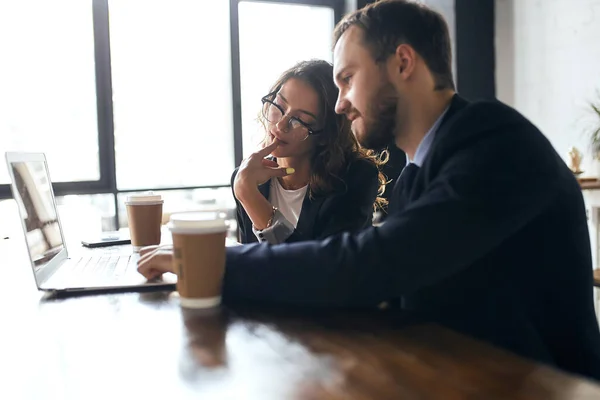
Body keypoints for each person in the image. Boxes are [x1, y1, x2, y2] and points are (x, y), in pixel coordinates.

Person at [139, 0, 600, 380]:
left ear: (403, 62)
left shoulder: (495, 145)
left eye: (347, 79)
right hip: (462, 378)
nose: (341, 104)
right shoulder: (416, 176)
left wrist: (207, 262)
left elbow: (372, 263)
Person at [231, 60, 386, 244]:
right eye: (279, 106)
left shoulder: (354, 178)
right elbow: (251, 264)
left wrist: (251, 199)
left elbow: (319, 269)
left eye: (299, 120)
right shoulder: (248, 178)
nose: (281, 125)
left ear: (324, 135)